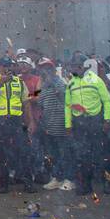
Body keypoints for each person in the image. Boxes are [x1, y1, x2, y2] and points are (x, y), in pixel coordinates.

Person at [65, 58, 110, 195]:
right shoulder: (71, 83)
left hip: (95, 121)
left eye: (78, 66)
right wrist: (68, 125)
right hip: (79, 123)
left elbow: (107, 100)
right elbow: (67, 106)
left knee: (102, 154)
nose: (75, 69)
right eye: (73, 66)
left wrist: (107, 120)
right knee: (82, 155)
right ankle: (86, 185)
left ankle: (108, 182)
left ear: (84, 67)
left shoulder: (96, 80)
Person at [0, 57, 29, 193]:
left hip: (15, 121)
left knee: (22, 152)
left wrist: (29, 122)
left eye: (8, 65)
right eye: (3, 65)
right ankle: (4, 184)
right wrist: (1, 82)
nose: (6, 68)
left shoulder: (19, 82)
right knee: (0, 153)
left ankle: (27, 182)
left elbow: (25, 103)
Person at [34, 60, 74, 190]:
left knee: (65, 153)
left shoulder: (59, 82)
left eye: (46, 68)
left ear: (52, 69)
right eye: (41, 69)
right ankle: (58, 178)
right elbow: (39, 101)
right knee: (55, 154)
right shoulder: (44, 86)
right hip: (49, 125)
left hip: (61, 124)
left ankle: (69, 179)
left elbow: (65, 97)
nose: (43, 71)